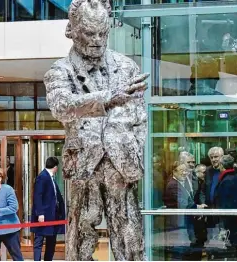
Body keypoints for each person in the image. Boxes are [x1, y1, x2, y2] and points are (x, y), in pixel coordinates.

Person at [43, 0, 149, 260]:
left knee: (130, 237)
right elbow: (61, 106)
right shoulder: (61, 71)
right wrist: (107, 98)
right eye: (90, 33)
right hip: (84, 167)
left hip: (121, 167)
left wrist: (133, 151)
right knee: (81, 238)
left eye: (103, 33)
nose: (97, 40)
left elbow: (140, 118)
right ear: (72, 30)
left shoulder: (126, 67)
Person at [0, 168, 24, 261]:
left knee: (16, 255)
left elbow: (14, 207)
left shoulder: (8, 189)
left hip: (9, 230)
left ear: (0, 179)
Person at [31, 157, 66, 261]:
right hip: (44, 216)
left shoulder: (51, 178)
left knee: (51, 241)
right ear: (55, 167)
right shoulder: (42, 177)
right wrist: (40, 213)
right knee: (39, 240)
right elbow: (37, 195)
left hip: (52, 216)